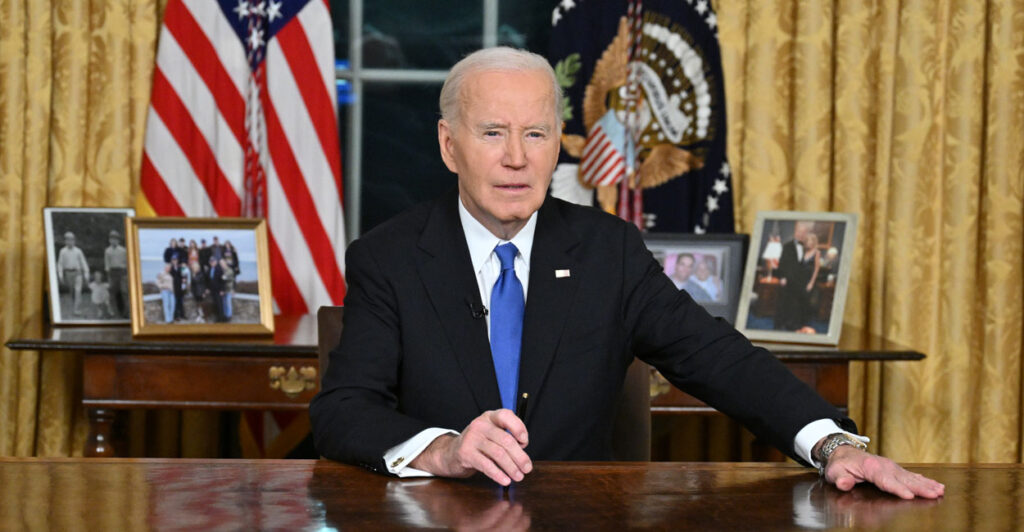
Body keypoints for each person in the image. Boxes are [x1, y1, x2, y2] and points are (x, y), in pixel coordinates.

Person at [309, 47, 943, 500]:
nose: (516, 158)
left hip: (579, 516)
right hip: (435, 515)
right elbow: (343, 410)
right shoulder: (388, 257)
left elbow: (718, 358)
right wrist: (444, 450)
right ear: (450, 145)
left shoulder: (606, 251)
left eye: (536, 134)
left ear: (558, 143)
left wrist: (833, 446)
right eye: (493, 133)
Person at [775, 221, 815, 331]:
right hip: (789, 281)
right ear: (795, 231)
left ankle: (798, 325)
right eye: (799, 231)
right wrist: (782, 277)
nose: (801, 234)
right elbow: (782, 264)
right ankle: (784, 324)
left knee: (801, 304)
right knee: (787, 303)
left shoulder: (809, 247)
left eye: (803, 232)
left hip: (802, 282)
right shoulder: (787, 246)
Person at [56, 231, 90, 315]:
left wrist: (86, 274)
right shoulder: (62, 251)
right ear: (65, 241)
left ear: (74, 240)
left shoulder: (78, 251)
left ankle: (76, 309)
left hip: (78, 272)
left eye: (71, 240)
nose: (70, 242)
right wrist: (60, 275)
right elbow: (60, 264)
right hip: (68, 273)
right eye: (68, 240)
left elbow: (83, 262)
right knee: (72, 292)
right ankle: (75, 305)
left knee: (78, 291)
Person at [104, 230, 129, 318]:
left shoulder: (123, 250)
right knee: (113, 292)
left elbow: (127, 262)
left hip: (122, 272)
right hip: (112, 272)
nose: (113, 241)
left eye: (115, 239)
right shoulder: (107, 251)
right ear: (109, 240)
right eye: (112, 239)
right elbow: (107, 264)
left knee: (124, 291)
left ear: (118, 240)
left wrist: (126, 273)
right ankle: (115, 312)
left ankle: (126, 312)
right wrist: (108, 275)